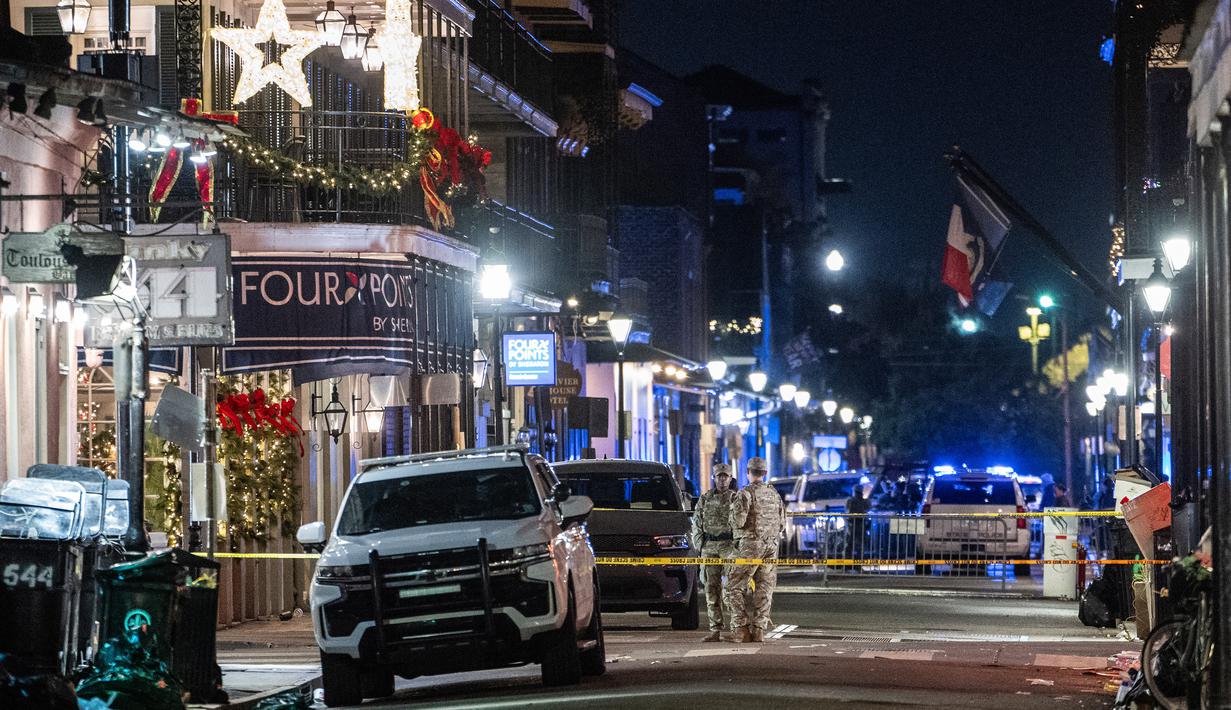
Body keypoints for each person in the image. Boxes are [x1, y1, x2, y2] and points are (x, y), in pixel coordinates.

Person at [724, 456, 786, 643]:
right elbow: (782, 524)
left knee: (733, 586)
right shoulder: (774, 494)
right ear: (765, 473)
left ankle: (741, 629)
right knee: (764, 587)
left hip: (750, 545)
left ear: (748, 473)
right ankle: (759, 630)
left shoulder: (745, 493)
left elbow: (738, 521)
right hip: (771, 546)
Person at [690, 463, 737, 642]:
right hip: (709, 546)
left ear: (730, 478)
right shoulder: (705, 498)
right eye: (719, 476)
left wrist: (738, 547)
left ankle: (736, 627)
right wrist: (699, 547)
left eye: (725, 476)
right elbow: (697, 523)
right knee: (710, 588)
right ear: (714, 478)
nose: (722, 479)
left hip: (728, 546)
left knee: (732, 588)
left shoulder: (735, 499)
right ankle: (715, 629)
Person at [845, 483, 872, 558]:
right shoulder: (855, 501)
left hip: (856, 523)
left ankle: (852, 562)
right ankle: (855, 562)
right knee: (856, 544)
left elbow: (848, 510)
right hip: (858, 523)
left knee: (852, 543)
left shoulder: (851, 501)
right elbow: (867, 509)